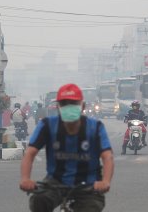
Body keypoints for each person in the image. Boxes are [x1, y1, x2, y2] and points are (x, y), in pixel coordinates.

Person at [20, 83, 114, 212]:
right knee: (38, 200)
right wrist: (25, 179)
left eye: (73, 103)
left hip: (88, 185)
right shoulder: (47, 125)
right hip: (55, 182)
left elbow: (107, 156)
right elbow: (30, 153)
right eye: (64, 103)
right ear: (58, 107)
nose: (69, 107)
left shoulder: (95, 127)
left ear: (83, 106)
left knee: (91, 208)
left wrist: (105, 181)